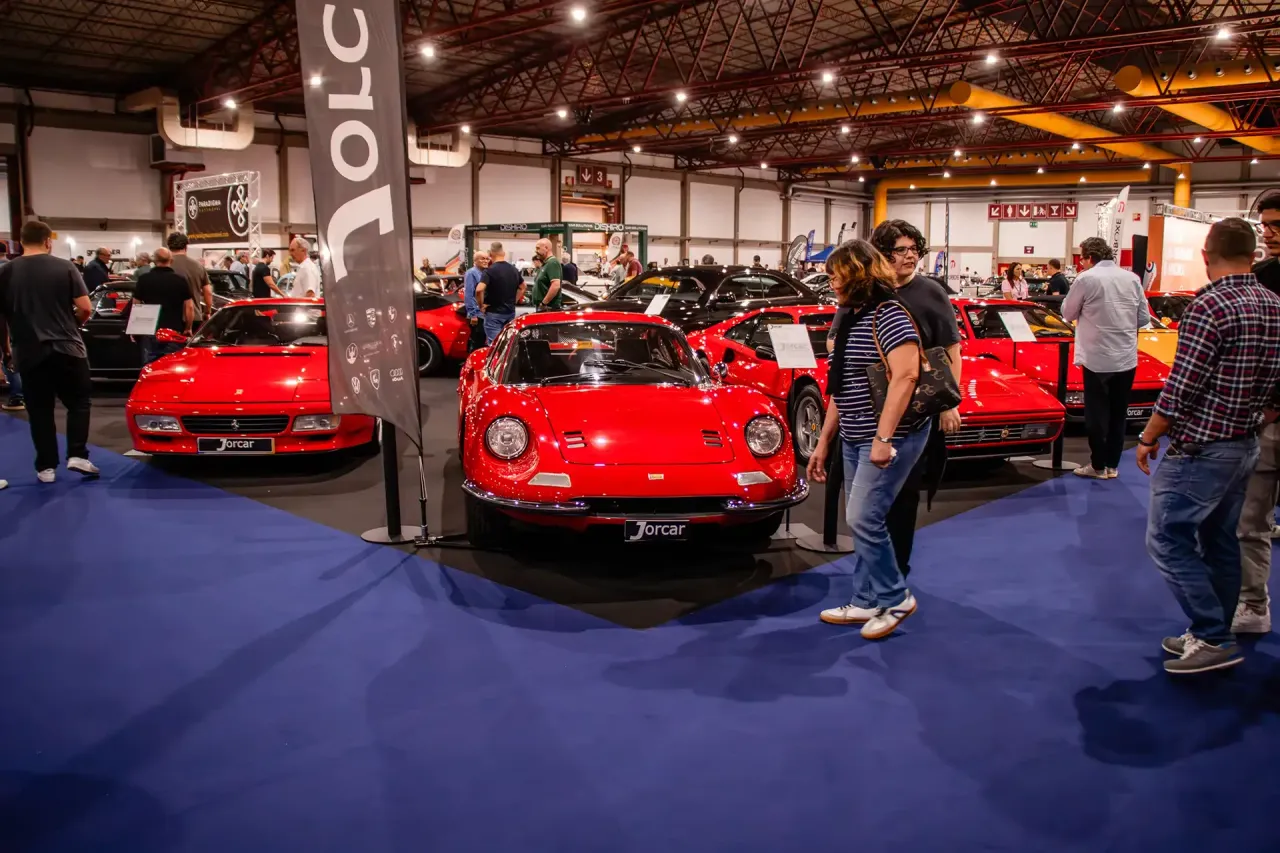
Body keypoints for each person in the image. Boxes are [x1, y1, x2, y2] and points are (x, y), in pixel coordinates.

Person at [1137, 218, 1280, 674]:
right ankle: (1212, 631)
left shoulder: (1209, 305)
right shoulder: (1274, 303)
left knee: (1166, 539)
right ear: (1254, 255)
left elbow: (1182, 386)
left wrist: (1148, 435)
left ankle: (1213, 634)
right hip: (1246, 443)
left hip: (1202, 447)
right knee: (1220, 540)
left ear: (1205, 255)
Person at [808, 239, 928, 639]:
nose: (831, 282)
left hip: (891, 436)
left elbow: (906, 376)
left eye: (835, 274)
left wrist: (883, 437)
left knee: (862, 517)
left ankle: (895, 597)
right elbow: (841, 387)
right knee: (864, 519)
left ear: (858, 273)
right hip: (855, 433)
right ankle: (864, 600)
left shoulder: (889, 313)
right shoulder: (851, 316)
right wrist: (824, 441)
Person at [871, 219, 963, 579]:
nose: (910, 256)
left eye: (914, 249)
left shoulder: (930, 292)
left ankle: (897, 573)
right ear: (883, 254)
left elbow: (952, 350)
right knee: (871, 497)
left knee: (904, 494)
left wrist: (950, 403)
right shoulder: (871, 290)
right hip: (874, 408)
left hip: (917, 411)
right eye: (901, 250)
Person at [0, 220, 97, 483]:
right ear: (48, 241)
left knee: (39, 410)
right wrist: (73, 324)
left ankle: (46, 468)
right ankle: (77, 455)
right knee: (79, 402)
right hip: (67, 347)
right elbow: (85, 307)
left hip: (28, 350)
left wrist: (6, 350)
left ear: (21, 242)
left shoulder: (6, 272)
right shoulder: (65, 267)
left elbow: (1, 318)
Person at [1061, 237, 1147, 480]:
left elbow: (1067, 313)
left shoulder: (1086, 279)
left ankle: (1098, 465)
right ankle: (1112, 465)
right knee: (1119, 413)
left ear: (1089, 257)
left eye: (1082, 259)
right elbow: (1143, 318)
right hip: (1126, 357)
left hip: (1096, 357)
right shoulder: (1132, 279)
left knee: (1096, 414)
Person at [1234, 195, 1280, 634]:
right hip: (1264, 420)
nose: (1269, 232)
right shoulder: (1260, 278)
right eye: (1265, 224)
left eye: (1277, 224)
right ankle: (1253, 605)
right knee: (1251, 521)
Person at [132, 247, 194, 365]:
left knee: (150, 366)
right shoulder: (180, 280)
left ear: (154, 260)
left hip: (150, 330)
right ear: (171, 260)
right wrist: (188, 328)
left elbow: (136, 304)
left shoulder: (144, 279)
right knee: (173, 365)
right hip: (174, 331)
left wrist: (136, 329)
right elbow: (189, 307)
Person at [475, 242, 524, 343]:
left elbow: (479, 289)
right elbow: (523, 287)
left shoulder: (489, 271)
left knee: (495, 345)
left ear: (490, 254)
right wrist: (514, 301)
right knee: (508, 344)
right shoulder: (514, 270)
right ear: (504, 254)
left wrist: (481, 305)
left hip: (493, 314)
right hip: (510, 312)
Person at [167, 232, 214, 323]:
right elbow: (208, 292)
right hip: (194, 317)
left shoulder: (164, 266)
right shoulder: (198, 266)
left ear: (169, 247)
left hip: (169, 318)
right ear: (186, 246)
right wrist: (207, 312)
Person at [463, 250, 490, 351]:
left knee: (483, 342)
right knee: (477, 343)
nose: (485, 261)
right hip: (477, 315)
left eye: (487, 259)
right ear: (475, 260)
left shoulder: (485, 273)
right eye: (482, 259)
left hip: (484, 314)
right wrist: (473, 314)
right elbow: (469, 295)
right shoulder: (471, 273)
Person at [531, 239, 563, 311]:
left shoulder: (552, 263)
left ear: (546, 248)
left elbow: (555, 285)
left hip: (548, 308)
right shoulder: (546, 264)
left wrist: (544, 303)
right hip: (543, 307)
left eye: (538, 248)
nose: (536, 251)